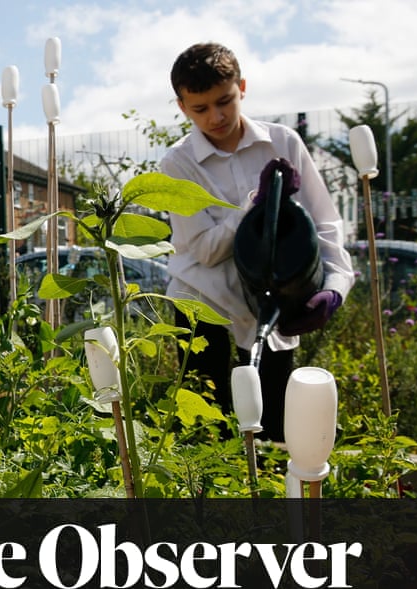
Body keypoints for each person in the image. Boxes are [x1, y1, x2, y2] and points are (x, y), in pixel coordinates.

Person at [160, 42, 355, 440]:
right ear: (182, 107)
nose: (216, 116)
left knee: (278, 429)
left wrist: (334, 289)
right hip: (203, 307)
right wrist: (256, 207)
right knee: (208, 432)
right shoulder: (176, 165)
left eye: (225, 101)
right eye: (200, 109)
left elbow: (324, 225)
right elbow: (205, 250)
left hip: (272, 305)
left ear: (242, 87)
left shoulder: (282, 144)